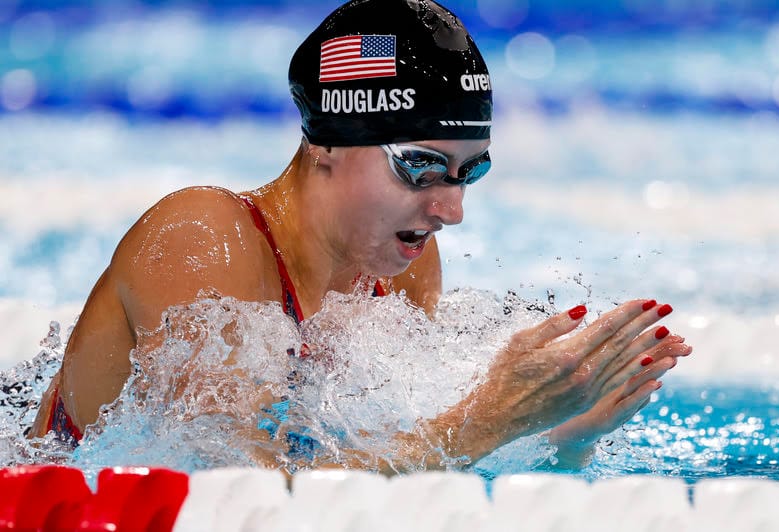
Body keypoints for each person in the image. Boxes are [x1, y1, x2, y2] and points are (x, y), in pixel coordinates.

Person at [30, 0, 691, 470]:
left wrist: (561, 434)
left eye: (468, 173)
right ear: (326, 143)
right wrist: (492, 419)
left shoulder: (401, 265)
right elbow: (241, 493)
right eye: (421, 167)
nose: (450, 210)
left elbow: (381, 462)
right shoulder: (201, 239)